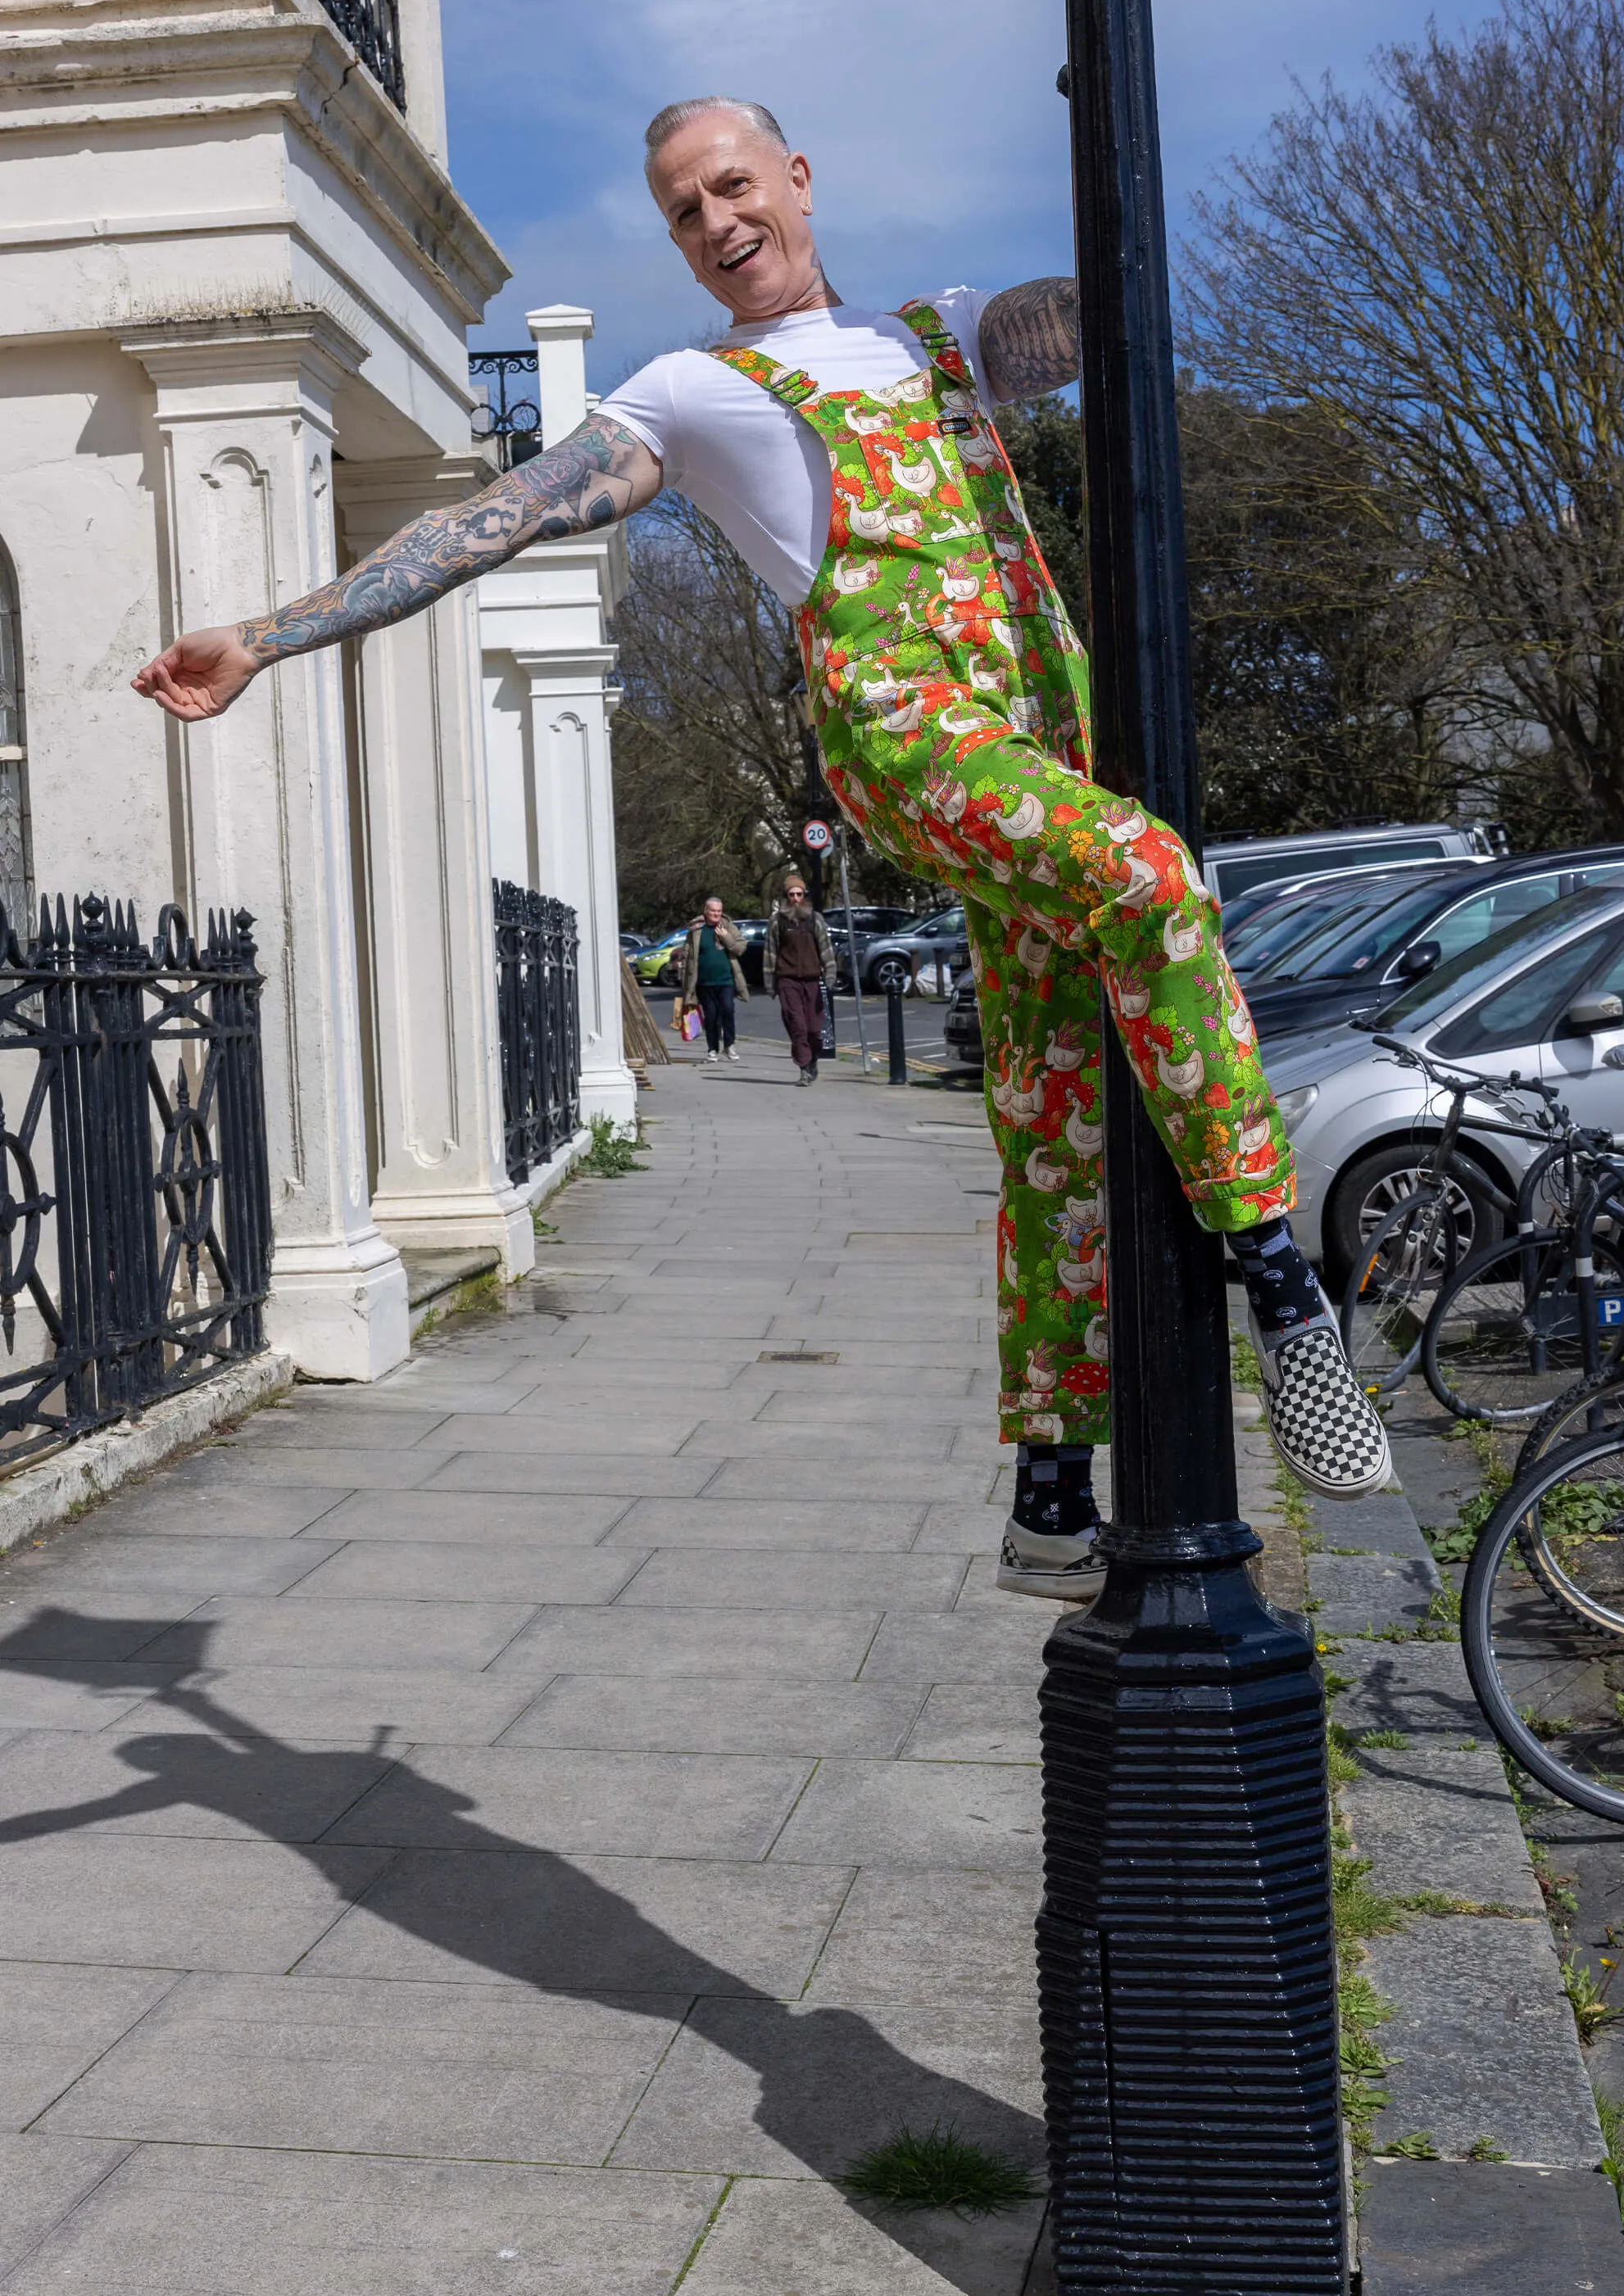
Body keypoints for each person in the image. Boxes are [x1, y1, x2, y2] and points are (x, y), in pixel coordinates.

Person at [130, 94, 1390, 1592]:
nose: (716, 223)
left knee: (1052, 1103)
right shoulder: (688, 391)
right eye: (682, 210)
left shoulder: (949, 336)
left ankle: (1050, 1487)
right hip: (912, 733)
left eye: (733, 185)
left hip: (1053, 732)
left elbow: (1105, 316)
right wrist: (271, 635)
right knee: (1158, 877)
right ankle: (1277, 1279)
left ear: (798, 177)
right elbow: (487, 523)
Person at [766, 873, 836, 1085]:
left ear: (804, 895)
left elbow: (826, 949)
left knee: (814, 1029)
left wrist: (830, 973)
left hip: (812, 979)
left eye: (799, 894)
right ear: (786, 897)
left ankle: (813, 1058)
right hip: (787, 980)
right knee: (797, 1026)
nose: (796, 898)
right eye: (791, 894)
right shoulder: (777, 922)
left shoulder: (815, 919)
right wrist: (771, 984)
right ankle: (804, 1068)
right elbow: (770, 953)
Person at [681, 895, 747, 1062]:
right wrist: (685, 980)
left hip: (726, 980)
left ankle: (729, 1045)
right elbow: (687, 955)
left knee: (727, 1011)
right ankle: (712, 1049)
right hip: (704, 982)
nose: (716, 914)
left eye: (719, 911)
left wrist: (726, 938)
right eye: (713, 911)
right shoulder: (696, 930)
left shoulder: (728, 927)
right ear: (706, 911)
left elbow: (740, 948)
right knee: (711, 1016)